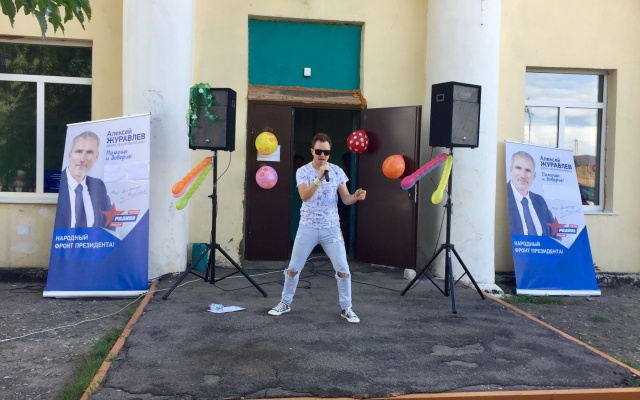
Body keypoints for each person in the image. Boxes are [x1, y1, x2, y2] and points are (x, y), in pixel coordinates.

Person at [269, 133, 367, 323]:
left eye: (326, 152)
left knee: (343, 268)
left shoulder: (337, 171)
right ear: (312, 151)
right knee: (293, 268)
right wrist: (319, 177)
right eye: (319, 151)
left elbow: (345, 199)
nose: (322, 155)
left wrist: (355, 197)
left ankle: (347, 307)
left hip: (331, 228)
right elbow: (305, 196)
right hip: (308, 226)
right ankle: (285, 302)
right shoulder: (303, 171)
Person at [54, 131, 112, 229]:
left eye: (89, 152)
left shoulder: (99, 186)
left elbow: (109, 224)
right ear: (69, 155)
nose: (82, 158)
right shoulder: (58, 183)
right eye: (78, 151)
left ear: (96, 157)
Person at [507, 150, 557, 237]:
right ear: (511, 170)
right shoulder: (501, 198)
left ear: (534, 176)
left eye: (528, 170)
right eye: (518, 168)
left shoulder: (540, 201)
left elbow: (554, 233)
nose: (523, 175)